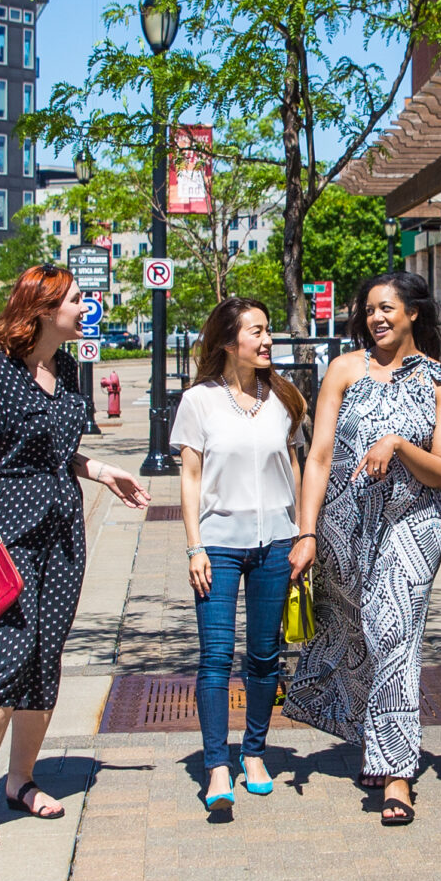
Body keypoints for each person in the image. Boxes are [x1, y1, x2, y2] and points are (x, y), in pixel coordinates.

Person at [0, 265, 150, 845]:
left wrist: (102, 470)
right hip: (8, 536)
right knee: (1, 653)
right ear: (41, 309)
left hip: (62, 533)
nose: (85, 306)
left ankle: (20, 781)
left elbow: (63, 454)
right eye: (75, 299)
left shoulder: (65, 369)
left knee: (44, 654)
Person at [286, 271, 441, 826]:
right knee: (355, 632)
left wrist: (401, 445)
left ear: (412, 313)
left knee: (394, 634)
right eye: (369, 310)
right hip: (345, 524)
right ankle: (373, 741)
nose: (376, 318)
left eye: (387, 308)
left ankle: (398, 773)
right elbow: (318, 458)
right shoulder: (343, 370)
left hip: (412, 524)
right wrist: (307, 532)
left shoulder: (440, 381)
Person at [173, 297, 309, 814]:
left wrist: (301, 534)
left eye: (268, 329)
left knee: (264, 656)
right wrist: (194, 546)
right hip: (218, 546)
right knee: (214, 657)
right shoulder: (198, 402)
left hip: (276, 542)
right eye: (257, 331)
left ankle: (254, 751)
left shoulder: (285, 398)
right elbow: (189, 478)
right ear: (229, 341)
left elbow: (294, 467)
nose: (267, 339)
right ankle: (216, 765)